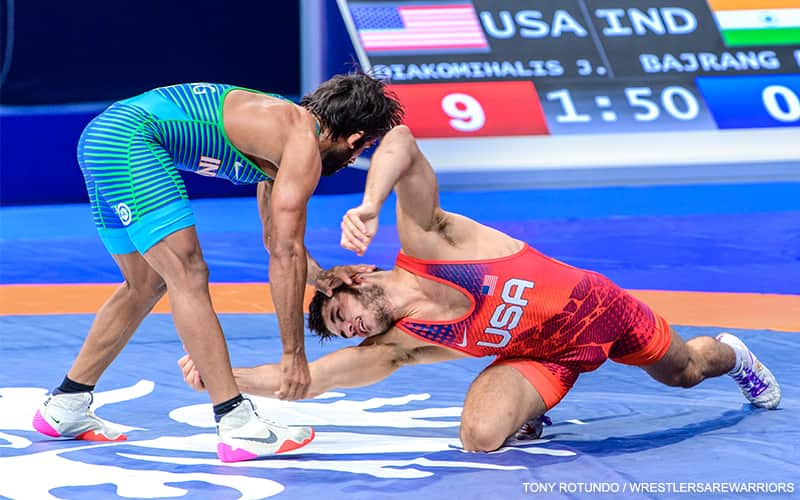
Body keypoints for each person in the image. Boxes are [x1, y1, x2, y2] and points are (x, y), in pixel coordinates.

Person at [178, 125, 780, 453]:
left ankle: (736, 352)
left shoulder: (432, 242)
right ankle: (530, 407)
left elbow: (401, 144)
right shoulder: (400, 343)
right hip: (542, 358)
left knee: (688, 370)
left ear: (355, 279)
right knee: (480, 438)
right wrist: (219, 376)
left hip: (604, 311)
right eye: (342, 331)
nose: (351, 328)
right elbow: (308, 380)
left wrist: (367, 204)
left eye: (341, 313)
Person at [32, 74, 404, 462]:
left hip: (103, 138)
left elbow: (276, 239)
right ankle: (236, 422)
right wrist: (293, 357)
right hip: (128, 140)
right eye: (359, 152)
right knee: (188, 274)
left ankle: (67, 403)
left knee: (145, 283)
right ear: (357, 138)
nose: (349, 162)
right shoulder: (301, 144)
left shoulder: (284, 128)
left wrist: (319, 275)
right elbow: (285, 253)